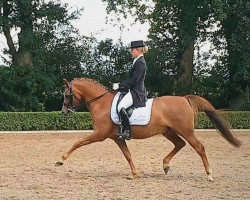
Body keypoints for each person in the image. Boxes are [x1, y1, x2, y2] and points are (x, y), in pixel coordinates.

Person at [112, 40, 148, 140]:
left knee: (120, 107)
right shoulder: (137, 61)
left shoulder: (140, 63)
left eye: (132, 50)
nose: (131, 51)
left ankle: (127, 131)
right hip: (132, 90)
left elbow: (134, 80)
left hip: (136, 92)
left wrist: (119, 85)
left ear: (138, 50)